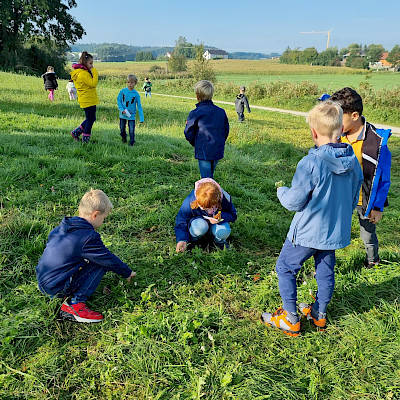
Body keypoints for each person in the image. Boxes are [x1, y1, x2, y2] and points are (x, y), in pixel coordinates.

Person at [260, 101, 363, 336]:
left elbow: (294, 201)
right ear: (340, 130)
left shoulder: (311, 163)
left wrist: (281, 191)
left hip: (307, 232)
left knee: (285, 267)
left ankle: (290, 317)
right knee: (325, 272)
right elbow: (353, 195)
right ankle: (319, 314)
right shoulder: (352, 162)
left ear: (314, 132)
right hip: (334, 231)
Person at [36, 189, 136, 323]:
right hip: (57, 286)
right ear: (95, 215)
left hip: (44, 280)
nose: (103, 222)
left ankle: (70, 289)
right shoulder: (88, 237)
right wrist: (127, 272)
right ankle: (75, 304)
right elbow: (107, 259)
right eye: (104, 218)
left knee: (90, 258)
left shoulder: (63, 227)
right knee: (101, 263)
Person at [330, 87, 392, 267]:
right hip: (340, 196)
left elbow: (383, 179)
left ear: (355, 115)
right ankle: (325, 265)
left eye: (339, 116)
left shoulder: (377, 142)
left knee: (367, 234)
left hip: (364, 199)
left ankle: (373, 261)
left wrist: (378, 206)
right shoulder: (336, 136)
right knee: (331, 231)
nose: (334, 121)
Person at [175, 178, 237, 252]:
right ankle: (194, 241)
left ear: (217, 200)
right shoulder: (191, 200)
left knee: (223, 231)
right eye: (203, 208)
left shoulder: (224, 198)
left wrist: (221, 217)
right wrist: (182, 239)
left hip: (216, 224)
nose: (208, 210)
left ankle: (220, 242)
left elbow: (233, 215)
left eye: (210, 207)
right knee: (200, 227)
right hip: (199, 223)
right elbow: (181, 222)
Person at [184, 80, 229, 179]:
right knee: (210, 176)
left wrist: (196, 143)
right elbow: (225, 130)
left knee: (206, 180)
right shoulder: (221, 112)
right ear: (212, 94)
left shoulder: (195, 113)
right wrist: (219, 141)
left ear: (197, 96)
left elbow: (188, 132)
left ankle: (214, 194)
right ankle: (212, 192)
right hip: (218, 148)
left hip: (203, 150)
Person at [70, 51, 99, 143]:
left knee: (91, 118)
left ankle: (76, 132)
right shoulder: (83, 74)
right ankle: (85, 139)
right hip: (87, 99)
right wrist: (94, 72)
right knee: (90, 120)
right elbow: (93, 83)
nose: (92, 66)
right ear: (84, 62)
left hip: (87, 99)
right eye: (90, 63)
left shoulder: (81, 72)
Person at [117, 74, 144, 146]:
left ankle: (132, 142)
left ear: (135, 83)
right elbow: (119, 100)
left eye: (132, 82)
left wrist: (141, 118)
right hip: (122, 114)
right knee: (122, 129)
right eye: (128, 82)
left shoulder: (136, 94)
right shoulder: (122, 91)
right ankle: (124, 138)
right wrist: (121, 109)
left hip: (131, 115)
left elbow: (139, 106)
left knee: (131, 130)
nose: (130, 84)